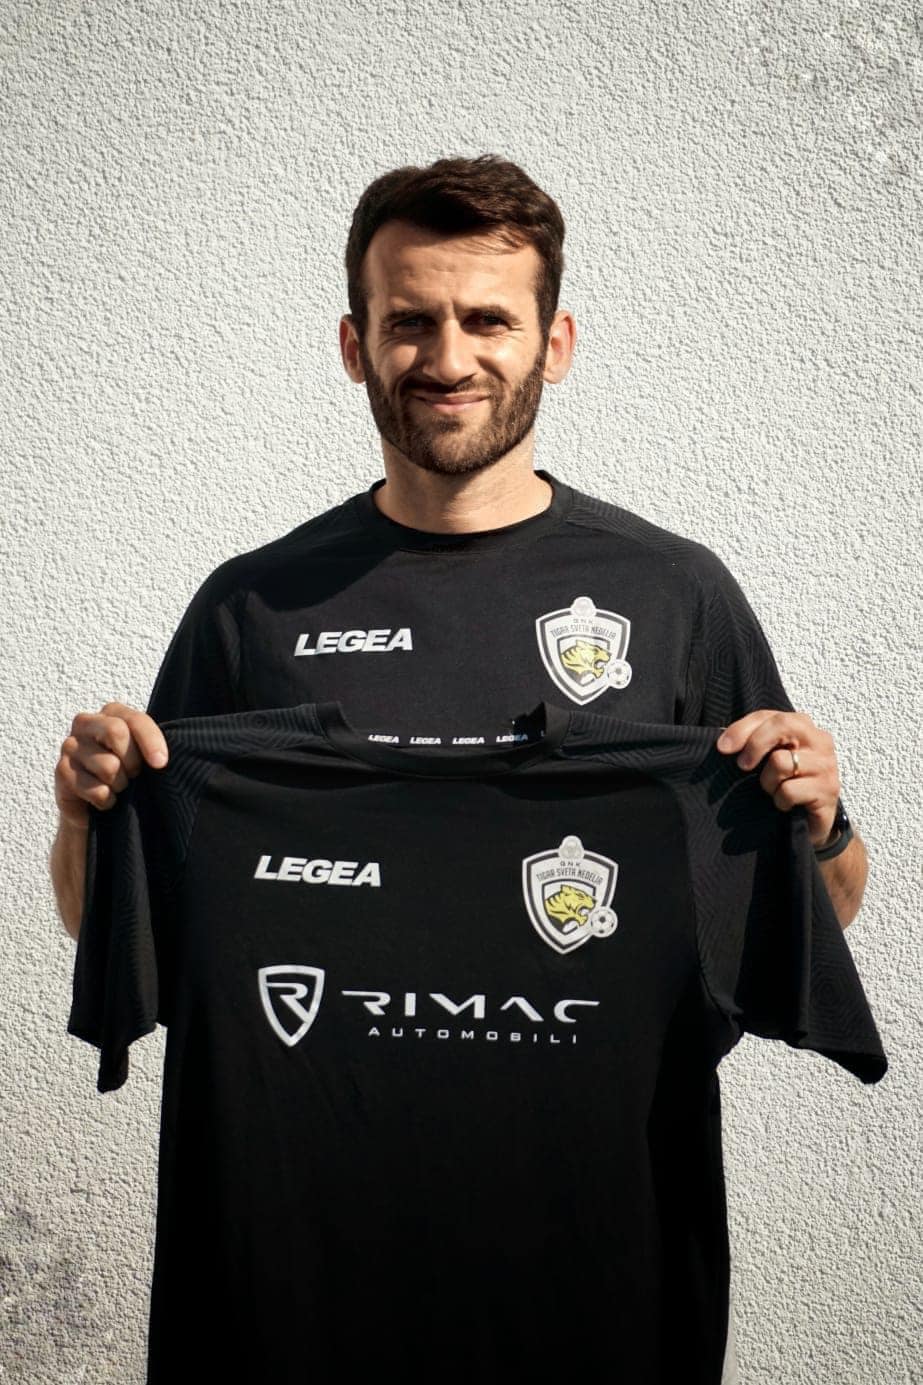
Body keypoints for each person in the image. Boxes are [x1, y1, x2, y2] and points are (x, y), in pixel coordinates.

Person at [51, 154, 867, 1383]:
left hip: (593, 1284)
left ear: (554, 342)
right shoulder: (249, 607)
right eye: (408, 321)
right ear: (354, 344)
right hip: (290, 1296)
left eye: (487, 319)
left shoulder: (675, 596)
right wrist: (86, 818)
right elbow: (127, 927)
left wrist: (819, 824)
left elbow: (806, 914)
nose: (446, 357)